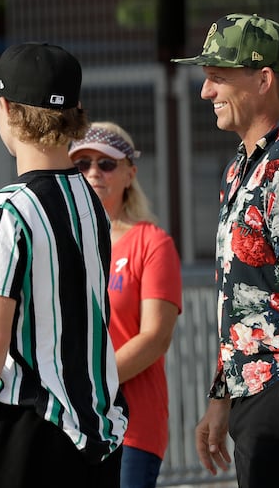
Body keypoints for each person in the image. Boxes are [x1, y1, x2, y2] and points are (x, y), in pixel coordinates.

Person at [0, 42, 128, 488]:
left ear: (6, 109)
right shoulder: (91, 202)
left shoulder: (5, 210)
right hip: (100, 427)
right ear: (75, 113)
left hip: (34, 424)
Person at [171, 13, 279, 486]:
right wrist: (220, 401)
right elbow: (242, 298)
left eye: (218, 78)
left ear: (263, 80)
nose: (206, 92)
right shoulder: (244, 166)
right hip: (255, 398)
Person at [69, 122, 183, 487]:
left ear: (130, 173)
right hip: (67, 421)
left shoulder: (152, 243)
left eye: (106, 164)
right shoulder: (59, 241)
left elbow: (154, 338)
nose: (92, 172)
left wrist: (87, 382)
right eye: (82, 163)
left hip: (131, 425)